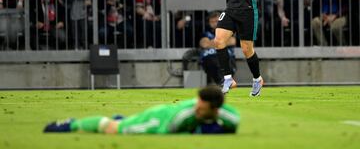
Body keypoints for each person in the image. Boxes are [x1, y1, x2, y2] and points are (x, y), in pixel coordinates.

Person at [44, 86, 240, 134]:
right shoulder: (182, 117)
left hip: (164, 116)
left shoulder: (229, 115)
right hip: (159, 119)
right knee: (113, 129)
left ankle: (125, 119)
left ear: (215, 109)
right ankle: (71, 125)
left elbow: (232, 125)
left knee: (122, 122)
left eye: (201, 107)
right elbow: (170, 131)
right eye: (197, 103)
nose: (197, 108)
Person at [200, 11, 236, 85]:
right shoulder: (206, 33)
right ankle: (223, 82)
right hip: (210, 58)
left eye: (216, 21)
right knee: (212, 61)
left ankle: (223, 81)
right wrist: (222, 42)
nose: (214, 24)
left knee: (223, 59)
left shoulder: (227, 31)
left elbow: (232, 41)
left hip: (227, 58)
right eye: (212, 22)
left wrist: (211, 42)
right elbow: (204, 44)